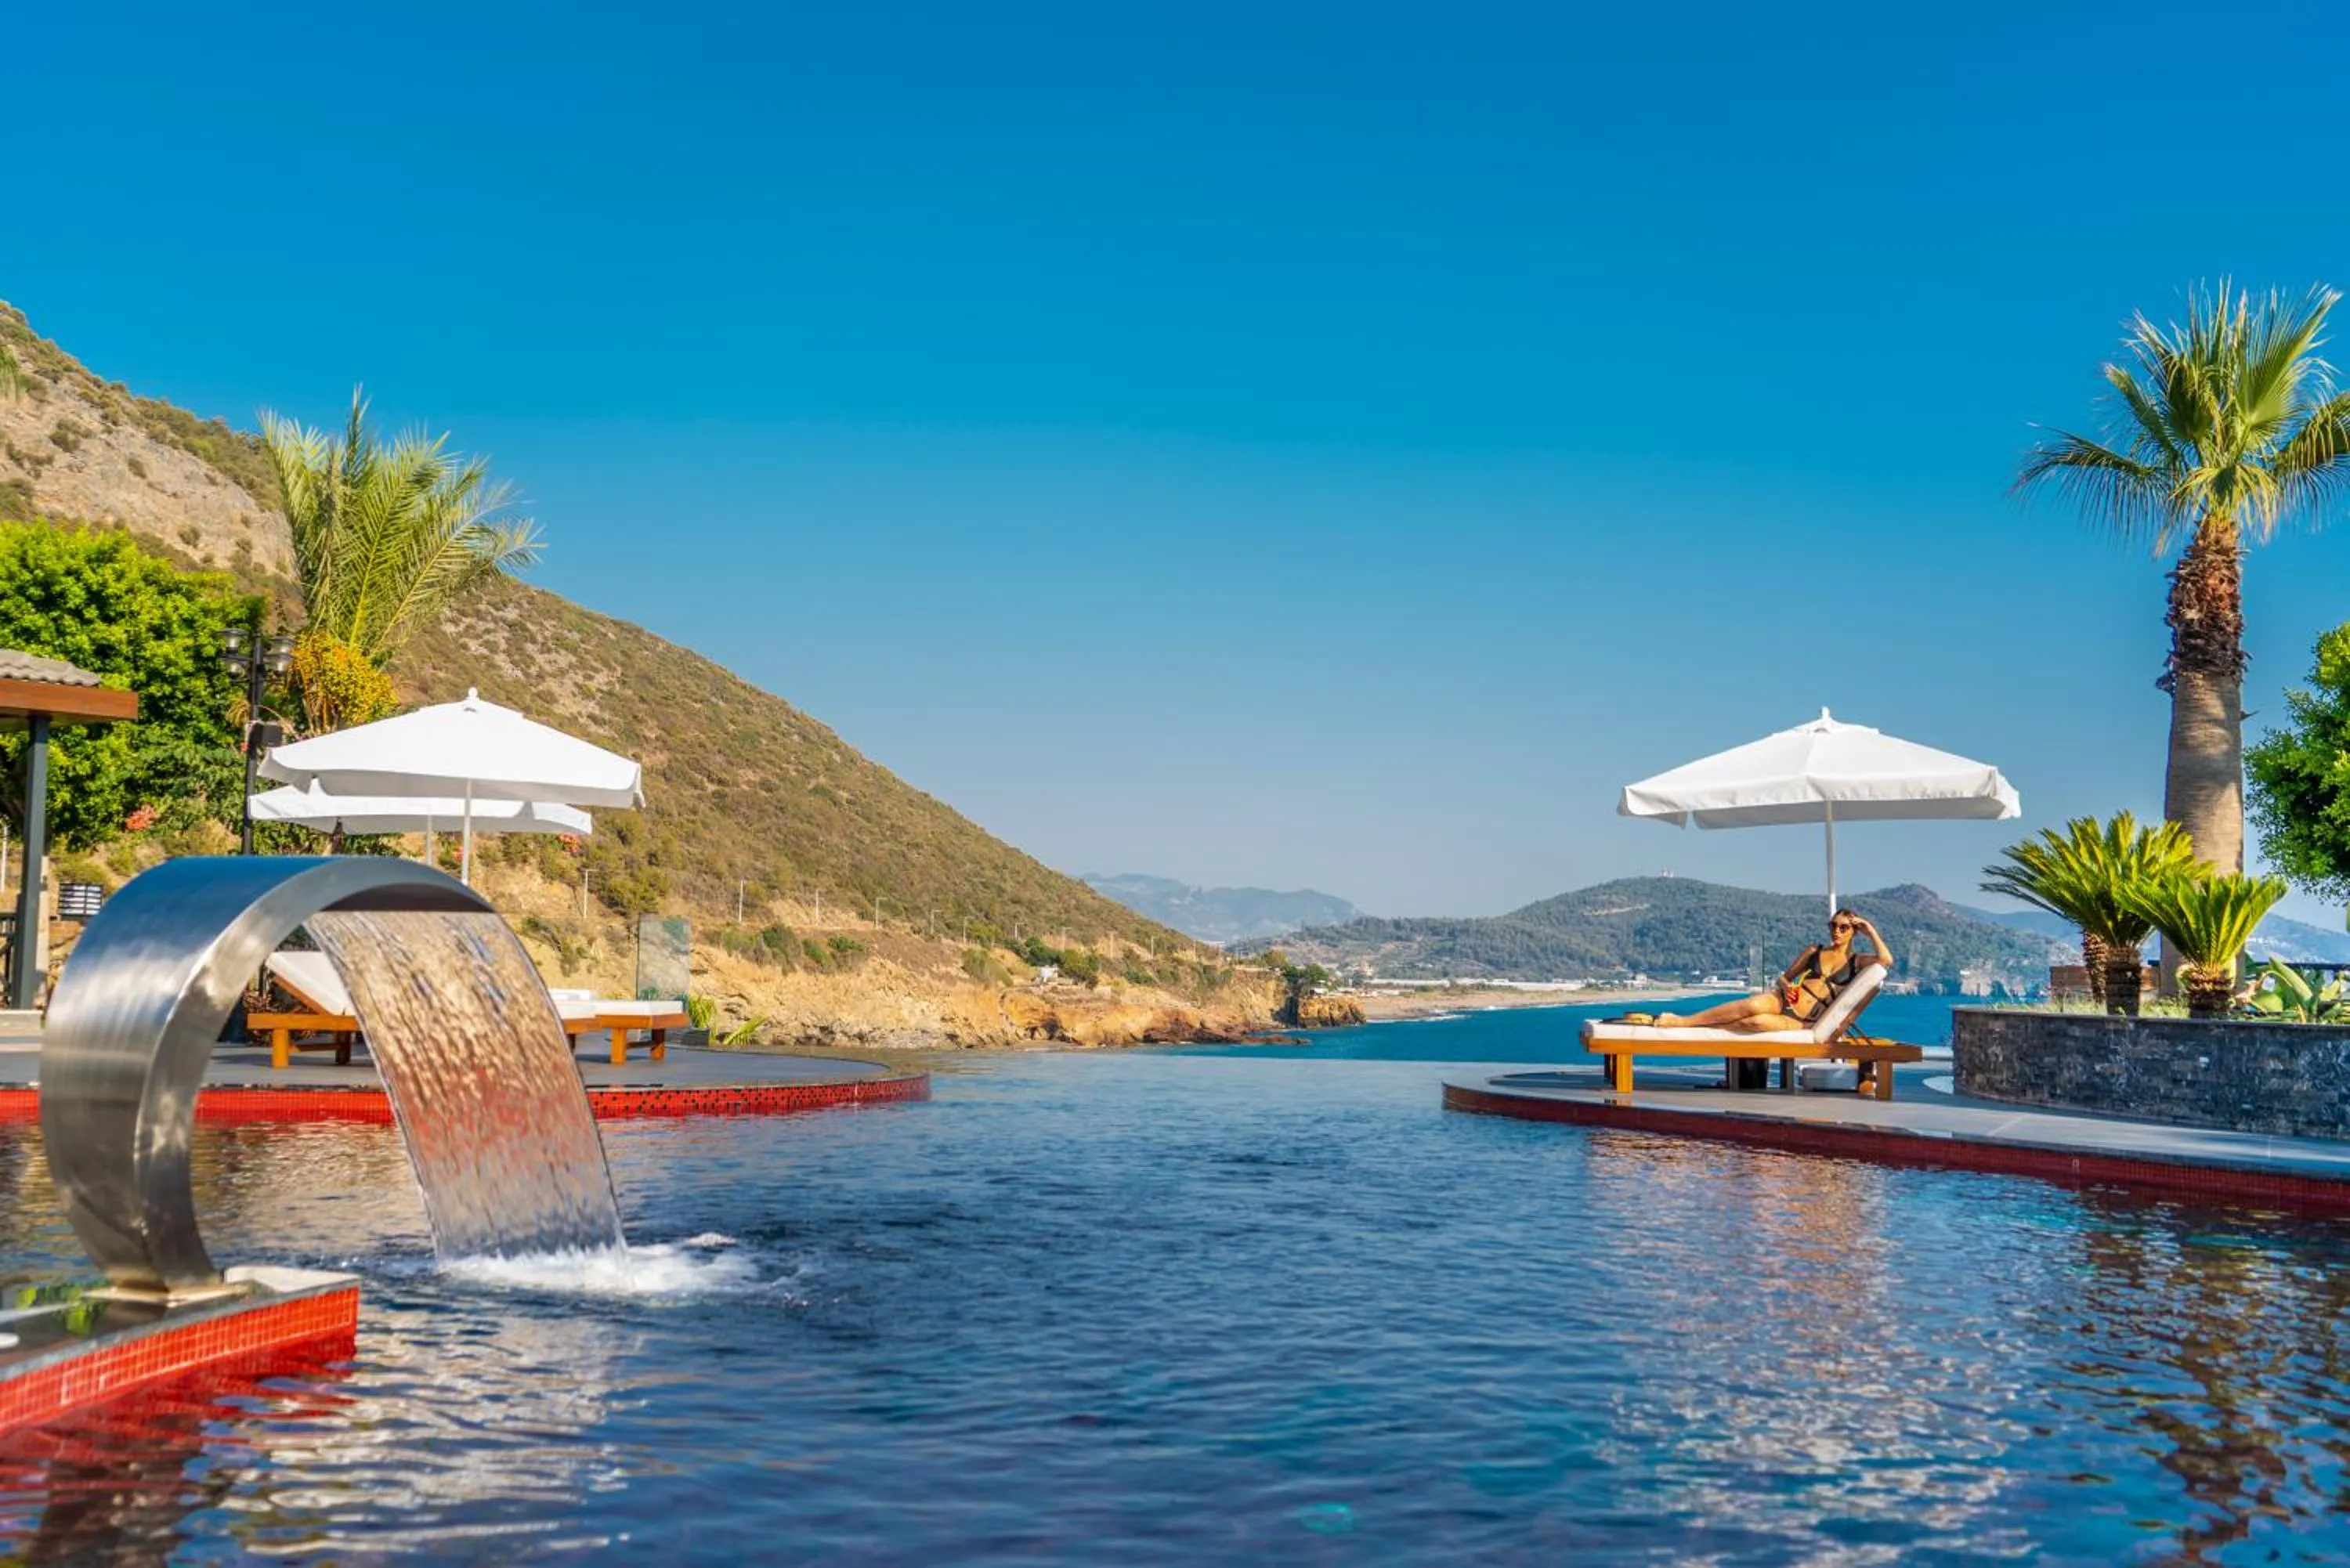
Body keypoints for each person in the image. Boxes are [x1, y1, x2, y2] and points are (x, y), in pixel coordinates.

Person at [1650, 909, 1893, 1032]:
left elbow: (1886, 960)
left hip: (1803, 1020)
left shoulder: (1856, 961)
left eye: (1843, 927)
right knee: (1752, 1005)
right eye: (1833, 925)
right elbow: (1783, 978)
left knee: (1756, 1022)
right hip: (1784, 1001)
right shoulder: (1814, 951)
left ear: (1854, 932)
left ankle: (1702, 1028)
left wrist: (1870, 930)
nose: (1836, 931)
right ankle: (1684, 1022)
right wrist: (1787, 988)